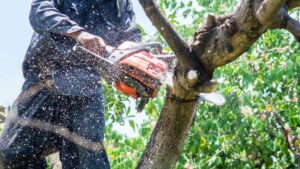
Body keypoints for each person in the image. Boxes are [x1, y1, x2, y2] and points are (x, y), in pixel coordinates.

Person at [0, 0, 141, 168]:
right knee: (13, 151)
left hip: (86, 90)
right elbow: (39, 11)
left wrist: (142, 63)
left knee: (88, 161)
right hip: (44, 81)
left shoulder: (120, 4)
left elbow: (132, 41)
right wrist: (78, 33)